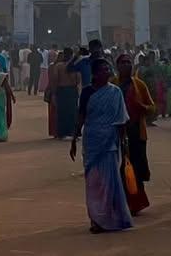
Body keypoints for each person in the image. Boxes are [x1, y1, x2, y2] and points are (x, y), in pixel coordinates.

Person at [70, 57, 132, 234]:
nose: (107, 72)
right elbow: (81, 116)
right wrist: (75, 138)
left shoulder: (115, 92)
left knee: (109, 183)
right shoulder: (87, 92)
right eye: (103, 70)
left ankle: (110, 217)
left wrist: (124, 142)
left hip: (110, 143)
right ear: (95, 74)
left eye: (108, 69)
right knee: (94, 183)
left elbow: (121, 120)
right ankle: (96, 219)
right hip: (92, 142)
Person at [112, 53, 155, 215]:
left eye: (129, 62)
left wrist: (142, 107)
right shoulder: (112, 85)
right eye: (123, 62)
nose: (127, 65)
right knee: (119, 167)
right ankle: (120, 202)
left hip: (136, 131)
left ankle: (136, 203)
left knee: (135, 167)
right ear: (117, 66)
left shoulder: (139, 85)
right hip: (117, 132)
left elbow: (152, 107)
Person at [48, 47, 79, 139]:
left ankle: (62, 133)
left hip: (62, 90)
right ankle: (72, 132)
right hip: (72, 90)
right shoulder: (75, 65)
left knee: (62, 112)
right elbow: (77, 80)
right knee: (73, 112)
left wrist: (53, 93)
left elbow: (55, 80)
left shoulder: (59, 66)